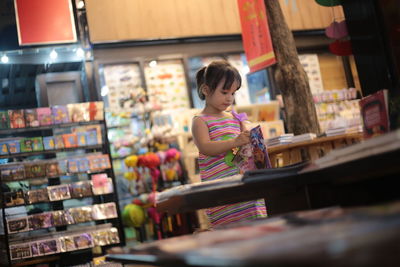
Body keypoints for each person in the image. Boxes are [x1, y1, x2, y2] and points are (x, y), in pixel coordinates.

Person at [192, 61, 267, 227]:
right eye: (224, 92)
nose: (229, 98)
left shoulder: (235, 117)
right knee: (229, 229)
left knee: (256, 223)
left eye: (233, 93)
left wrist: (252, 143)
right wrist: (234, 141)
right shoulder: (200, 121)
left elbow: (242, 147)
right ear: (206, 90)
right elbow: (205, 147)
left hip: (243, 182)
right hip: (220, 189)